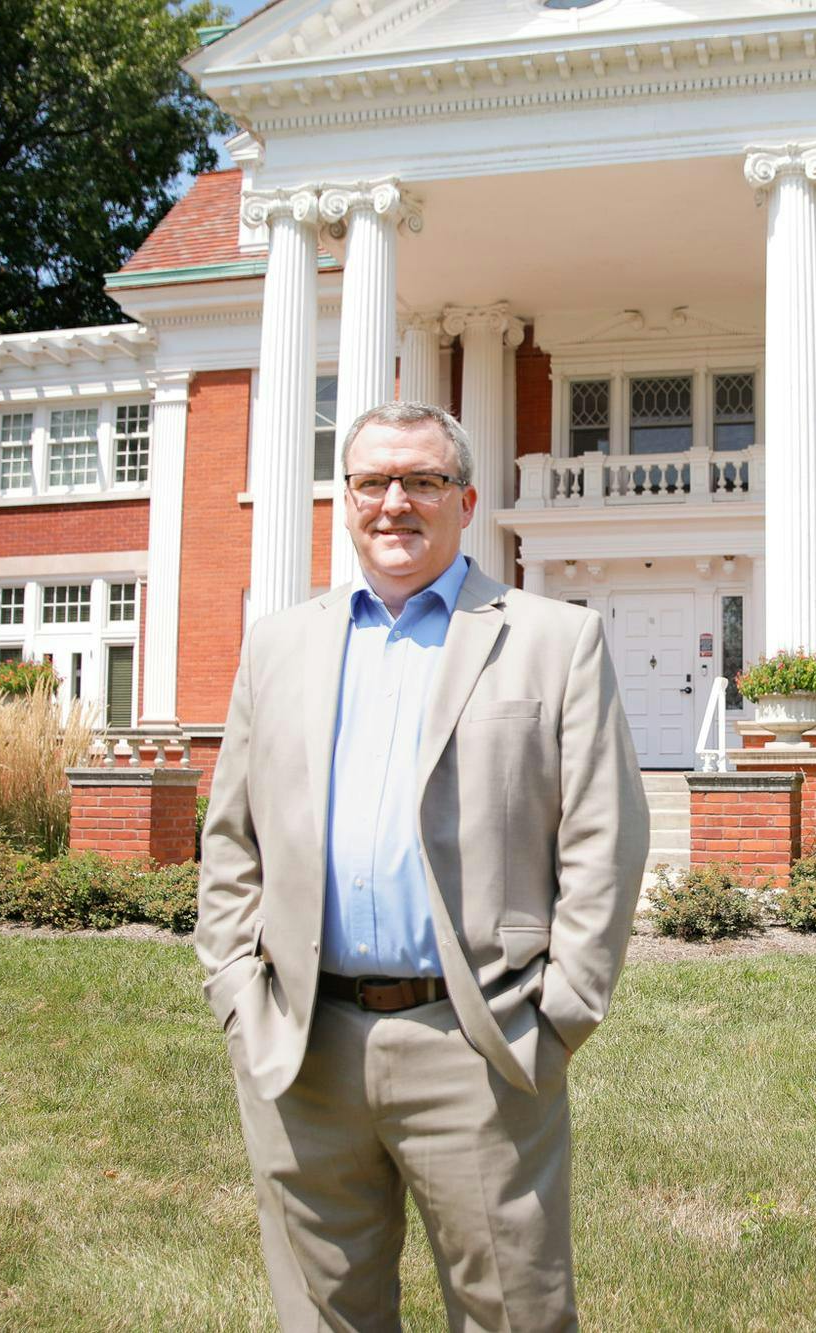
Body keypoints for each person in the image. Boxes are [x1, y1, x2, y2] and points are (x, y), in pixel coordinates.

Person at [196, 400, 650, 1332]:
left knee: (513, 1312)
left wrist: (559, 1010)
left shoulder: (551, 639)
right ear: (346, 500)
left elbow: (604, 835)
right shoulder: (278, 645)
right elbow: (231, 837)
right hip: (302, 1044)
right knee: (324, 1316)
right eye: (371, 481)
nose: (393, 501)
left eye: (423, 480)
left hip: (477, 1040)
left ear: (466, 499)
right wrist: (240, 992)